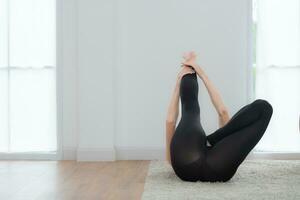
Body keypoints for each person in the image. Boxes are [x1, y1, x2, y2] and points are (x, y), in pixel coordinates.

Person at [165, 51, 273, 182]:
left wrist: (178, 83)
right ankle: (214, 138)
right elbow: (223, 112)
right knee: (264, 107)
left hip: (185, 163)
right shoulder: (228, 135)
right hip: (219, 169)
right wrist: (202, 74)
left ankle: (188, 69)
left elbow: (170, 121)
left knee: (190, 110)